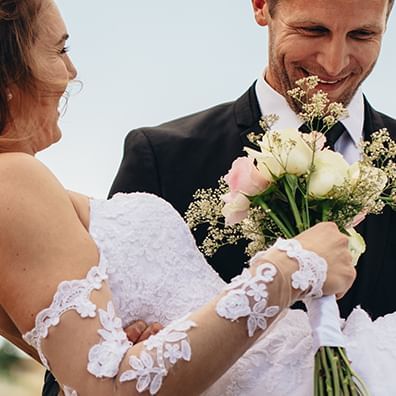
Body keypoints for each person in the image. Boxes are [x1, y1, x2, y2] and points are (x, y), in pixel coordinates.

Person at [0, 0, 359, 395]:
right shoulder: (12, 177)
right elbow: (109, 388)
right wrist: (291, 266)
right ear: (7, 73)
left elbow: (91, 369)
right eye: (60, 49)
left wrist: (148, 351)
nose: (72, 71)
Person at [109, 0, 396, 321]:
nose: (333, 63)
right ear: (261, 6)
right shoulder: (160, 159)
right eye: (312, 30)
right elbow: (90, 360)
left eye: (362, 34)